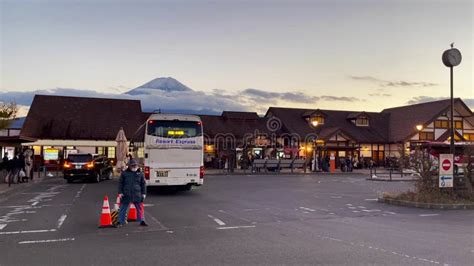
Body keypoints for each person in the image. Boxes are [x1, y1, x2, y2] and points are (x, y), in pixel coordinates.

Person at [117, 159, 148, 227]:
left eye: (135, 165)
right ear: (129, 166)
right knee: (123, 208)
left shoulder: (140, 173)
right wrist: (120, 192)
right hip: (126, 193)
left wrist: (144, 193)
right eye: (132, 166)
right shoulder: (124, 173)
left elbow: (143, 184)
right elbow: (120, 183)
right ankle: (120, 221)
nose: (134, 167)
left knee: (139, 208)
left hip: (137, 193)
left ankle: (142, 220)